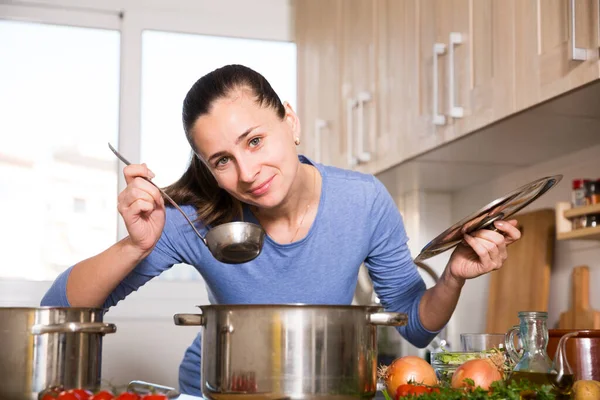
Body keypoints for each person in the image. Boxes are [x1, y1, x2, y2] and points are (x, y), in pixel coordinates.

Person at [41, 64, 521, 396]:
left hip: (324, 390)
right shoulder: (193, 216)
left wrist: (453, 276)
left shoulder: (362, 200)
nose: (247, 172)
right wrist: (135, 244)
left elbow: (413, 327)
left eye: (255, 140)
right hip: (216, 391)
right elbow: (58, 310)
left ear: (289, 120)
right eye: (223, 160)